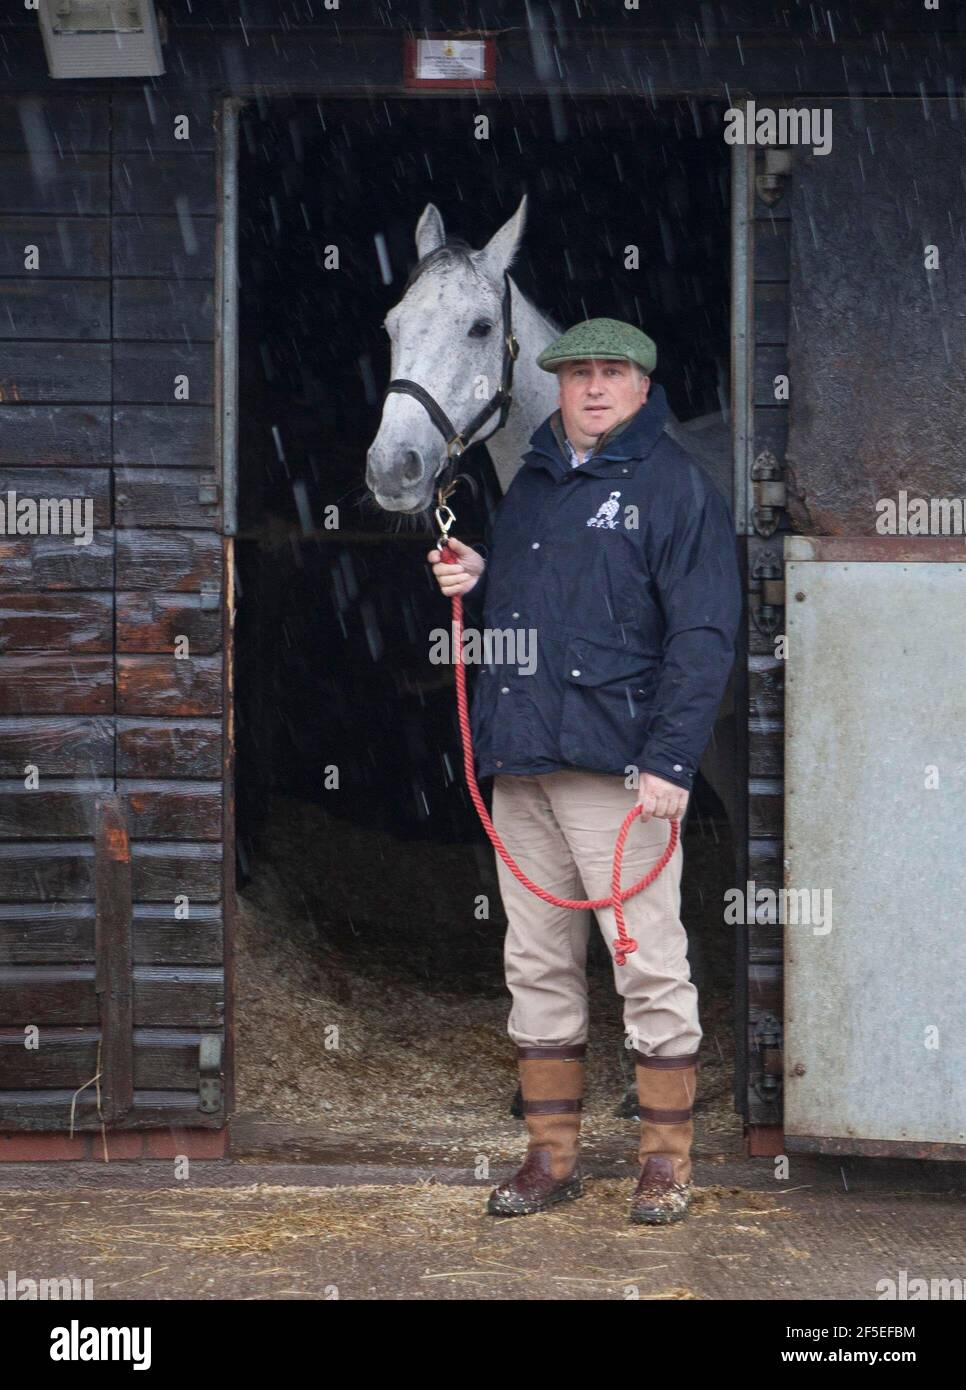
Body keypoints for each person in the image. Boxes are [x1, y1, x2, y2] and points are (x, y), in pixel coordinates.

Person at [428, 318, 742, 1224]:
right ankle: (551, 1156)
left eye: (613, 374)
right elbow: (547, 604)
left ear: (644, 386)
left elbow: (703, 631)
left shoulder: (674, 486)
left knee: (645, 960)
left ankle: (664, 1163)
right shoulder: (531, 483)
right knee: (534, 962)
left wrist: (673, 758)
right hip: (521, 760)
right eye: (578, 375)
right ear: (557, 386)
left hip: (618, 768)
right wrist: (480, 575)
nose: (594, 389)